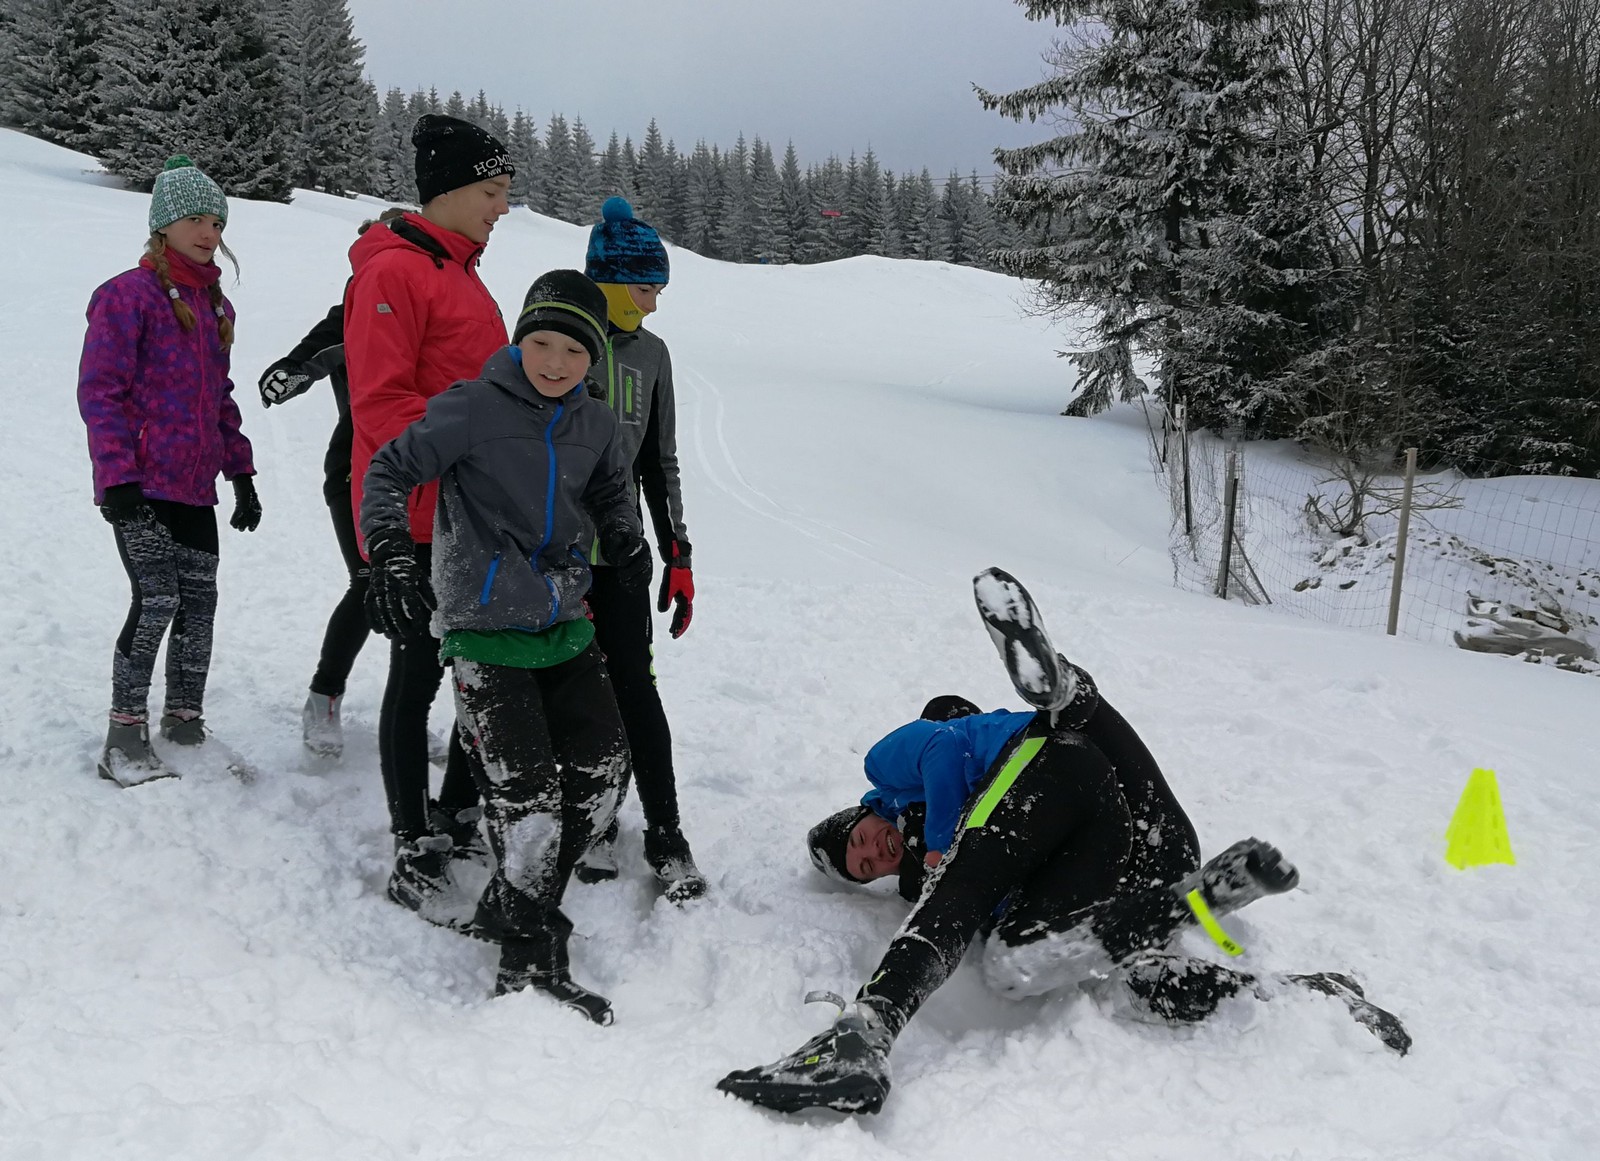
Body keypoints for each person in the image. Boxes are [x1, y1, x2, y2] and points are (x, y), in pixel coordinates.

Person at [718, 568, 1411, 1115]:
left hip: (1073, 769)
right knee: (1126, 979)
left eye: (862, 841)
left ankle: (867, 1029)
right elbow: (989, 891)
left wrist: (939, 851)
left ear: (863, 813)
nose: (873, 855)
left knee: (1007, 928)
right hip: (1145, 858)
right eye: (864, 868)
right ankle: (1300, 986)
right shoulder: (955, 840)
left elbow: (948, 770)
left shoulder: (918, 770)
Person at [359, 270, 651, 1021]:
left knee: (603, 774)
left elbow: (611, 488)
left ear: (594, 358)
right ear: (520, 341)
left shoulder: (594, 422)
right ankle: (527, 959)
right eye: (542, 344)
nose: (556, 363)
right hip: (484, 627)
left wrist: (625, 531)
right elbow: (389, 468)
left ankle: (516, 900)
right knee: (529, 805)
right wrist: (389, 550)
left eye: (574, 351)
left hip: (565, 620)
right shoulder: (473, 407)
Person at [344, 116, 513, 916]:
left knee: (476, 669)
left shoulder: (464, 274)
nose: (502, 207)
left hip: (472, 517)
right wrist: (478, 450)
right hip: (415, 517)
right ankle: (412, 843)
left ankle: (456, 815)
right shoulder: (394, 274)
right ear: (447, 190)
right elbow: (382, 406)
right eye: (492, 190)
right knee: (414, 679)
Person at [77, 154, 261, 787]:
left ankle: (185, 723)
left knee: (200, 604)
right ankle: (123, 739)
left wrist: (241, 473)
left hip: (195, 486)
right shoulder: (126, 296)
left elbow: (220, 397)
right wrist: (117, 478)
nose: (209, 232)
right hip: (142, 483)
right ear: (163, 225)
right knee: (157, 598)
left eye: (217, 222)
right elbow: (100, 392)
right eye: (195, 220)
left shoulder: (213, 303)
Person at [570, 196, 705, 902]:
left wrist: (679, 553)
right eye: (647, 289)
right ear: (614, 282)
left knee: (635, 692)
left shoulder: (652, 355)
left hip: (622, 559)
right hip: (556, 559)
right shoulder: (559, 338)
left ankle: (665, 832)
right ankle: (592, 819)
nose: (653, 305)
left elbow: (659, 461)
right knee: (573, 692)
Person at [257, 209, 408, 761]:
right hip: (356, 466)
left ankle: (406, 712)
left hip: (425, 469)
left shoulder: (434, 308)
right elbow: (315, 352)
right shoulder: (356, 310)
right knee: (370, 580)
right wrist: (290, 372)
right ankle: (323, 697)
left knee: (419, 587)